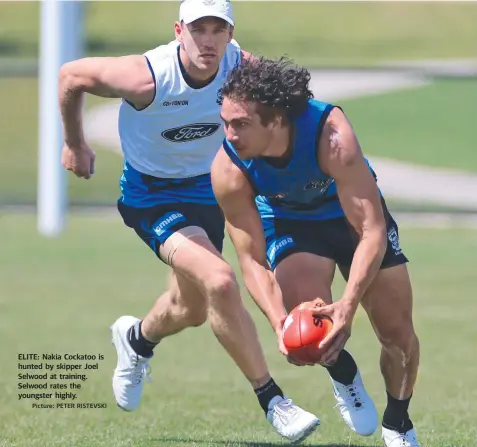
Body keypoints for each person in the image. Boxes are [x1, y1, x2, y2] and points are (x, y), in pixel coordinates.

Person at [58, 1, 320, 442]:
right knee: (219, 280)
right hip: (152, 196)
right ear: (179, 30)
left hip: (211, 191)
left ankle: (137, 340)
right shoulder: (148, 77)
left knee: (191, 309)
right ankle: (273, 399)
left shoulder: (239, 65)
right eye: (199, 28)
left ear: (231, 35)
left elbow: (294, 102)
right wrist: (73, 143)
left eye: (220, 29)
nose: (209, 39)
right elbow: (70, 75)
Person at [211, 56, 421, 447]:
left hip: (351, 221)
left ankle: (398, 421)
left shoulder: (332, 137)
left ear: (276, 120)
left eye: (240, 124)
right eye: (224, 122)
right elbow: (251, 259)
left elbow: (371, 229)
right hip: (291, 224)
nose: (229, 134)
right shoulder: (228, 169)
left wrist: (349, 304)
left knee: (398, 336)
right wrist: (279, 324)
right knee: (308, 331)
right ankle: (343, 374)